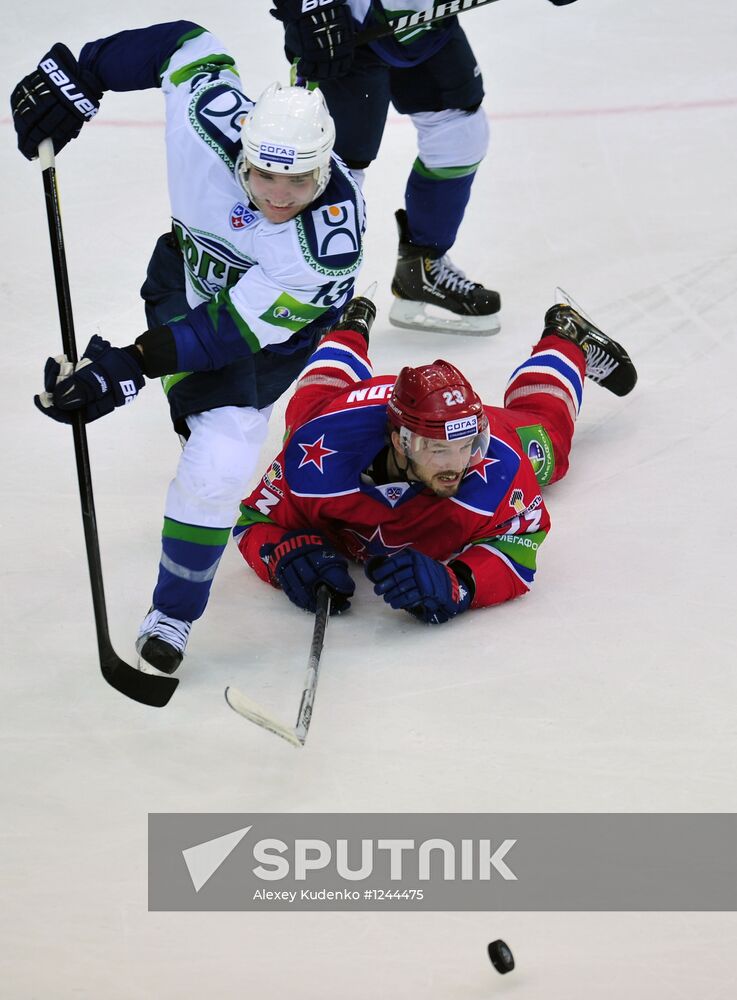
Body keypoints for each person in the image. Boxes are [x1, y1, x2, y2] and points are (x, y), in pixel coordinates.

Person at [11, 21, 365, 673]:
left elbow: (225, 333)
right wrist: (83, 74)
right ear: (243, 153)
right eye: (263, 176)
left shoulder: (324, 248)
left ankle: (172, 611)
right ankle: (195, 415)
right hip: (184, 274)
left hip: (265, 333)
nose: (279, 196)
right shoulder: (210, 118)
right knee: (207, 431)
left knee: (219, 463)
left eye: (300, 182)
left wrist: (128, 366)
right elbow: (182, 42)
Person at [234, 296, 636, 623]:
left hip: (417, 416)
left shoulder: (497, 463)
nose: (459, 463)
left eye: (469, 445)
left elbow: (519, 543)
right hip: (346, 418)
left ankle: (567, 338)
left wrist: (459, 584)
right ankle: (346, 327)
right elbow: (255, 521)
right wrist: (284, 554)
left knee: (551, 444)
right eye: (440, 450)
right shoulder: (317, 452)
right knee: (308, 410)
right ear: (401, 442)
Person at [269, 0, 500, 335]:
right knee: (332, 163)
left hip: (423, 21)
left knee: (460, 134)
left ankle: (423, 269)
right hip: (346, 22)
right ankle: (296, 298)